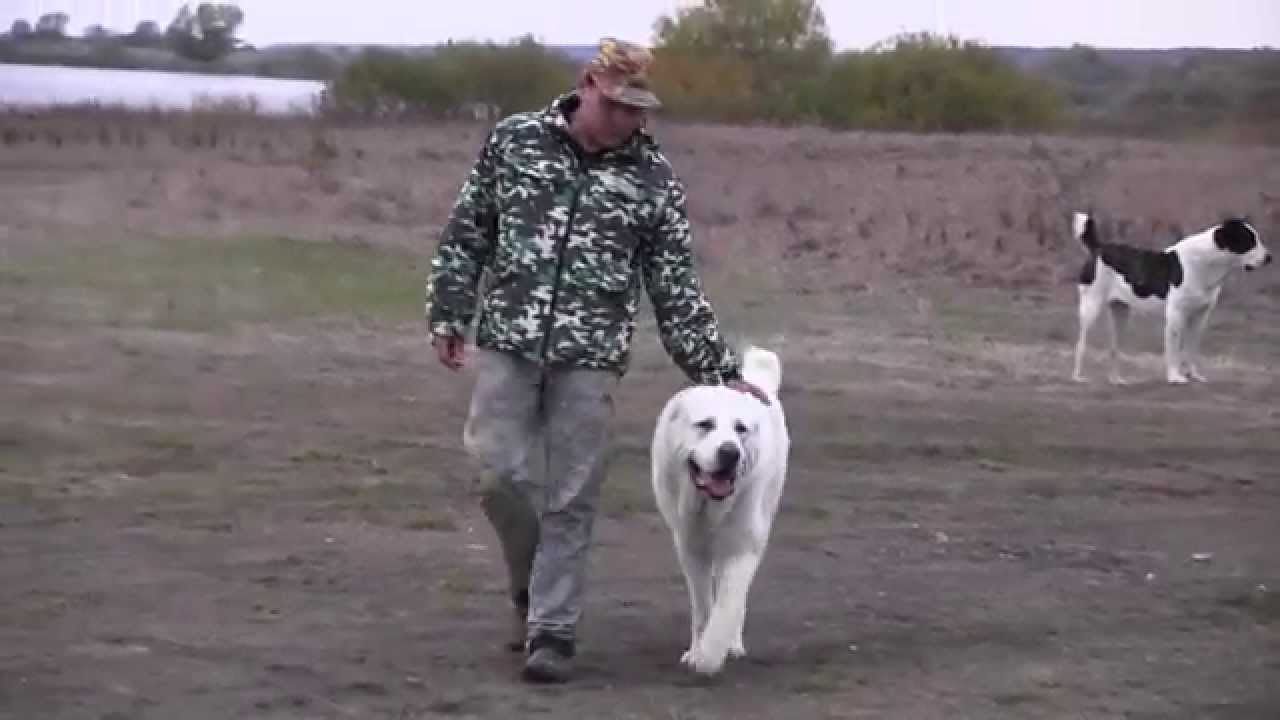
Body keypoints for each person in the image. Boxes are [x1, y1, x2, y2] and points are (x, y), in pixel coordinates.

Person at [424, 37, 768, 684]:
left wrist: (719, 371)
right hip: (510, 341)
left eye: (638, 110)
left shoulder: (653, 178)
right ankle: (529, 588)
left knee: (573, 495)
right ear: (587, 86)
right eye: (615, 106)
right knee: (499, 477)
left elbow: (675, 286)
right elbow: (469, 231)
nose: (626, 120)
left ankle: (552, 630)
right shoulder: (515, 141)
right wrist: (449, 311)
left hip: (592, 355)